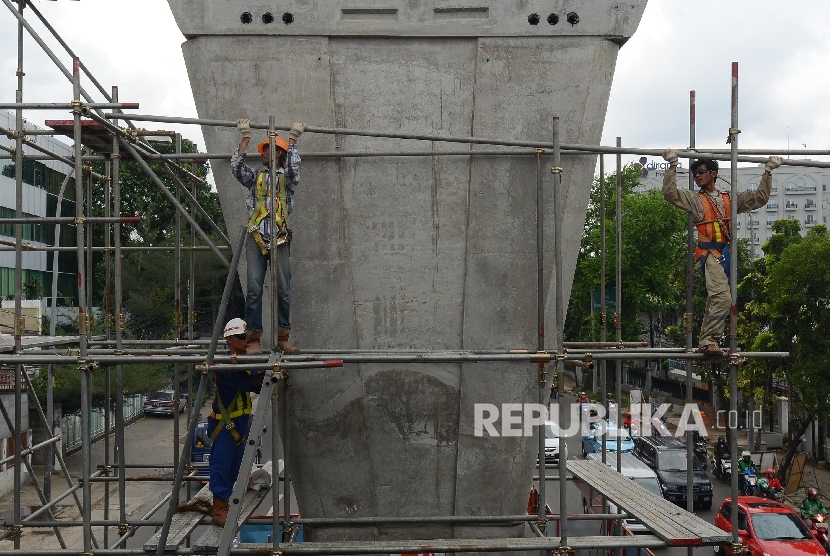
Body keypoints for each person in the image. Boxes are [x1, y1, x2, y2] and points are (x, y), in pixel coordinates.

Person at [661, 150, 783, 356]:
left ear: (714, 173)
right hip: (708, 255)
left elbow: (759, 198)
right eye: (694, 174)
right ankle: (708, 341)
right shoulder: (694, 199)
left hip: (725, 255)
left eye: (700, 172)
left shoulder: (729, 198)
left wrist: (768, 172)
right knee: (722, 297)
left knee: (718, 298)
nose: (697, 176)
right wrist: (673, 165)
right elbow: (670, 194)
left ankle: (708, 341)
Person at [232, 119, 306, 354]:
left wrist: (292, 139)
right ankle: (253, 338)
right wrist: (245, 138)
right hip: (257, 237)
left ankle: (283, 337)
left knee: (283, 289)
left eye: (265, 150)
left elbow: (293, 165)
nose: (261, 154)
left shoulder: (288, 179)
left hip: (280, 237)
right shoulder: (256, 177)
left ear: (277, 153)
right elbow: (236, 168)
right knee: (254, 287)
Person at [208, 318, 265, 526]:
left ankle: (226, 503)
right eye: (242, 338)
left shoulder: (248, 360)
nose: (246, 341)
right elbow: (245, 384)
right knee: (221, 466)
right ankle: (219, 509)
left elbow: (259, 385)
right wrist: (268, 372)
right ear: (230, 339)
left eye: (248, 338)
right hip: (225, 425)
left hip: (241, 423)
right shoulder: (224, 365)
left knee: (235, 468)